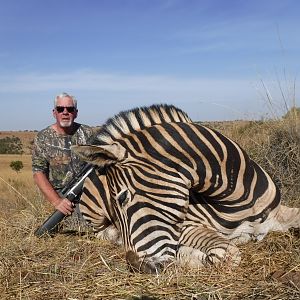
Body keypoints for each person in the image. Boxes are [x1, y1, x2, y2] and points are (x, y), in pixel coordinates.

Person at [32, 92, 93, 230]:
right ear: (54, 113)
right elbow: (38, 173)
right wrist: (57, 202)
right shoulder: (43, 137)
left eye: (70, 109)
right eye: (60, 109)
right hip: (61, 198)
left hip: (89, 196)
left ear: (76, 113)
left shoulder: (88, 133)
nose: (65, 112)